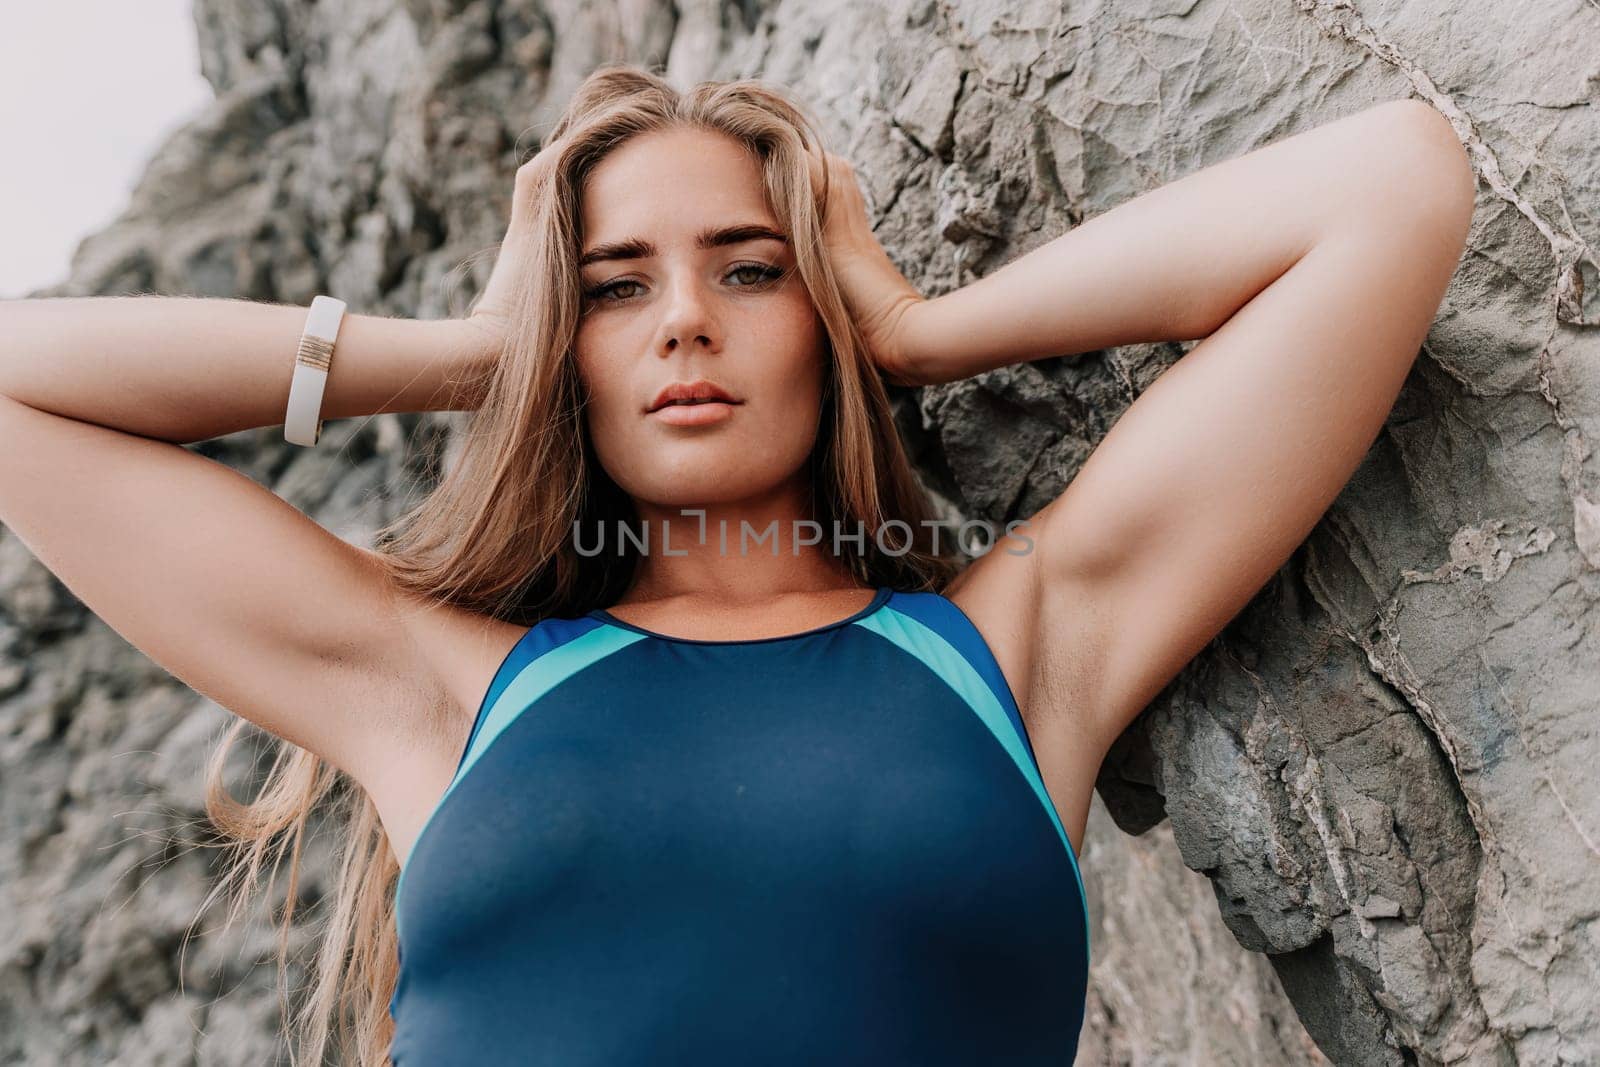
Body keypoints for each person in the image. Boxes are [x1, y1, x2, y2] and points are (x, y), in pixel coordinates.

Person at [0, 61, 1474, 1067]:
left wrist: (911, 331)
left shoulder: (1017, 652)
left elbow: (1393, 187)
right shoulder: (440, 690)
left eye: (751, 268)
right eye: (615, 286)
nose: (686, 320)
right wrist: (479, 356)